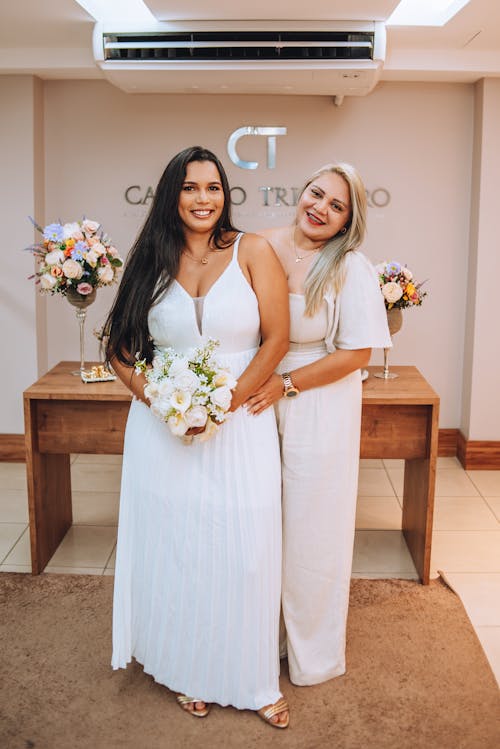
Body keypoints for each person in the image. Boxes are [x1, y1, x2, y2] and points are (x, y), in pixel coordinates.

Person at [105, 146, 290, 727]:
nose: (203, 199)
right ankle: (186, 667)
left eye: (213, 187)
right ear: (172, 195)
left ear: (225, 193)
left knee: (247, 547)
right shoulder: (150, 261)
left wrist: (220, 407)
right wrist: (160, 402)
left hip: (240, 424)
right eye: (190, 188)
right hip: (165, 431)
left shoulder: (253, 251)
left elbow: (277, 340)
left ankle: (254, 678)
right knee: (180, 547)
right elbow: (118, 351)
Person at [246, 162, 391, 686]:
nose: (320, 209)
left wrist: (285, 385)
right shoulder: (257, 244)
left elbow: (357, 355)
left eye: (336, 206)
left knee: (311, 529)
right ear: (300, 191)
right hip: (255, 393)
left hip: (318, 398)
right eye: (316, 194)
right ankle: (261, 641)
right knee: (260, 522)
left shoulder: (352, 267)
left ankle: (311, 653)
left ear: (348, 222)